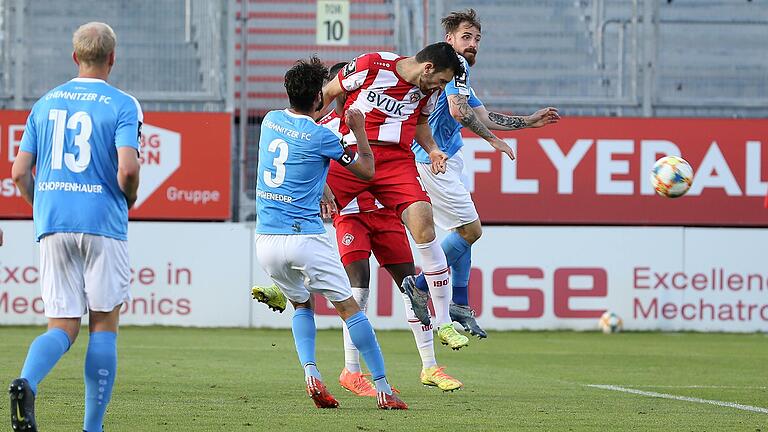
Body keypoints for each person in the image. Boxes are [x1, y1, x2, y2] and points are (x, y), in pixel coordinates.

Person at [254, 59, 463, 394]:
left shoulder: (279, 120)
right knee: (356, 293)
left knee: (411, 286)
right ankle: (359, 374)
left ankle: (430, 366)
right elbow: (339, 167)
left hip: (382, 214)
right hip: (351, 214)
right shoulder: (329, 128)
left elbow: (304, 165)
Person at [253, 56, 407, 410]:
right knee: (351, 310)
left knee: (301, 304)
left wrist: (319, 185)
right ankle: (383, 388)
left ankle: (310, 372)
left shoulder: (270, 120)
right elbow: (367, 171)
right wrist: (359, 131)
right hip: (305, 238)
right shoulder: (323, 135)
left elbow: (297, 162)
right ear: (319, 98)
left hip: (266, 241)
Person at [9, 22, 141, 432]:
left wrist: (43, 207)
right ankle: (92, 429)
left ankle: (26, 382)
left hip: (53, 223)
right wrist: (129, 196)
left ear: (74, 57)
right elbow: (128, 168)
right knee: (103, 325)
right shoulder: (122, 104)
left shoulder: (44, 104)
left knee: (62, 325)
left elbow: (18, 173)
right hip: (102, 222)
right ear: (112, 58)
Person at [404, 9, 561, 337]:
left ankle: (460, 302)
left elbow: (481, 113)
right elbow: (458, 112)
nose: (473, 44)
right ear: (450, 39)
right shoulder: (453, 65)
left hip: (450, 156)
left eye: (476, 39)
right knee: (471, 231)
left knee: (464, 231)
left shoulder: (458, 70)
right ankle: (419, 285)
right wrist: (494, 141)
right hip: (431, 158)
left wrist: (528, 122)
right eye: (466, 37)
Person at [321, 42, 471, 350]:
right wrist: (303, 126)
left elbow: (420, 123)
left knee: (424, 221)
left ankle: (442, 321)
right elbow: (328, 92)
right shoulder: (372, 65)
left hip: (396, 163)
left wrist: (432, 149)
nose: (441, 87)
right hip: (354, 155)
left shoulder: (427, 91)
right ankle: (281, 283)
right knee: (305, 206)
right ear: (427, 68)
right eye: (441, 81)